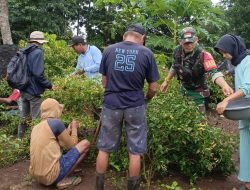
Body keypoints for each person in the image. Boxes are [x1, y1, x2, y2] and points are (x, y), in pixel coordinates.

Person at [95, 23, 160, 190]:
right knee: (135, 151)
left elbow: (104, 82)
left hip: (111, 105)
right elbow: (153, 87)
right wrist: (146, 98)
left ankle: (99, 187)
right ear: (142, 39)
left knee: (104, 148)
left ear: (125, 36)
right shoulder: (147, 53)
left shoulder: (109, 50)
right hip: (135, 106)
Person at [160, 27, 233, 113]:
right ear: (180, 41)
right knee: (183, 116)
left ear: (196, 40)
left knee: (199, 122)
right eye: (186, 43)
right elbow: (175, 66)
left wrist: (224, 85)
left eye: (191, 42)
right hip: (184, 88)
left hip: (199, 92)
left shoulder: (204, 55)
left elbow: (213, 72)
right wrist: (166, 81)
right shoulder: (177, 51)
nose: (189, 45)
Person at [215, 34, 250, 190]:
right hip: (246, 110)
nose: (224, 55)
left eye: (225, 52)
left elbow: (247, 87)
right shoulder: (236, 62)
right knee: (246, 145)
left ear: (233, 48)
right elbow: (214, 71)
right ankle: (248, 182)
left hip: (247, 106)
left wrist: (227, 101)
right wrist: (224, 85)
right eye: (221, 53)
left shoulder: (248, 61)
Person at [29, 98, 90, 189]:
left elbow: (58, 143)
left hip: (37, 176)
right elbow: (71, 145)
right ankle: (64, 179)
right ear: (55, 110)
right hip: (51, 176)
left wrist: (68, 130)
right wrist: (74, 128)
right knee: (86, 144)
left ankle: (64, 171)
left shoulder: (36, 127)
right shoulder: (56, 123)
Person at [18, 31, 55, 139]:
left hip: (23, 89)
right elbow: (38, 74)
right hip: (33, 91)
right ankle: (35, 142)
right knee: (36, 119)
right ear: (39, 42)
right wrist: (50, 85)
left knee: (23, 117)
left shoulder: (24, 50)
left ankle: (20, 140)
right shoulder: (37, 52)